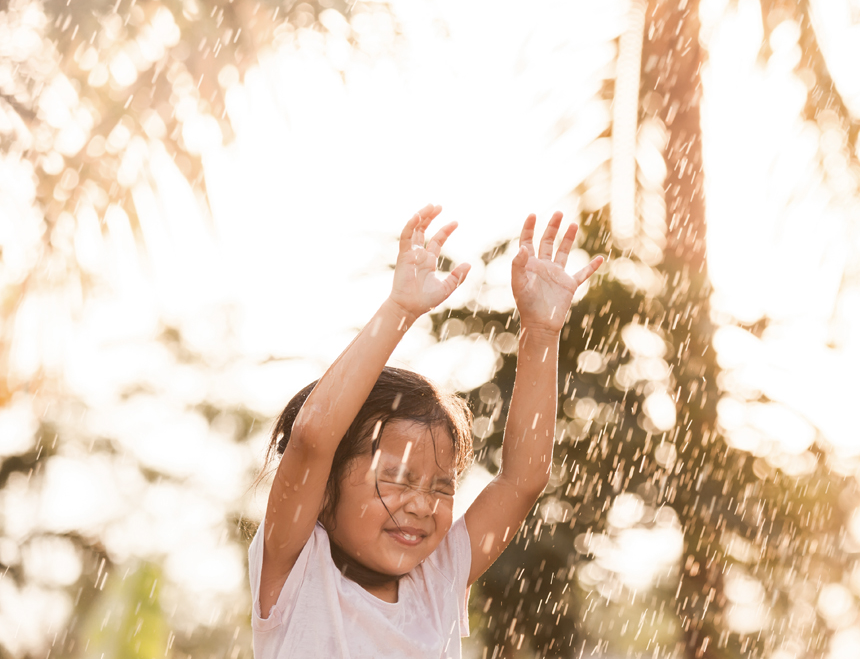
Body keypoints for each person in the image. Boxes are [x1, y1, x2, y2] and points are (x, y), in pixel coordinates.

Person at [247, 204, 604, 658]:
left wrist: (541, 331)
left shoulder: (438, 578)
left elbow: (522, 480)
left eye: (441, 487)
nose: (421, 506)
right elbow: (313, 437)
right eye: (395, 479)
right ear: (326, 483)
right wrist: (400, 309)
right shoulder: (297, 569)